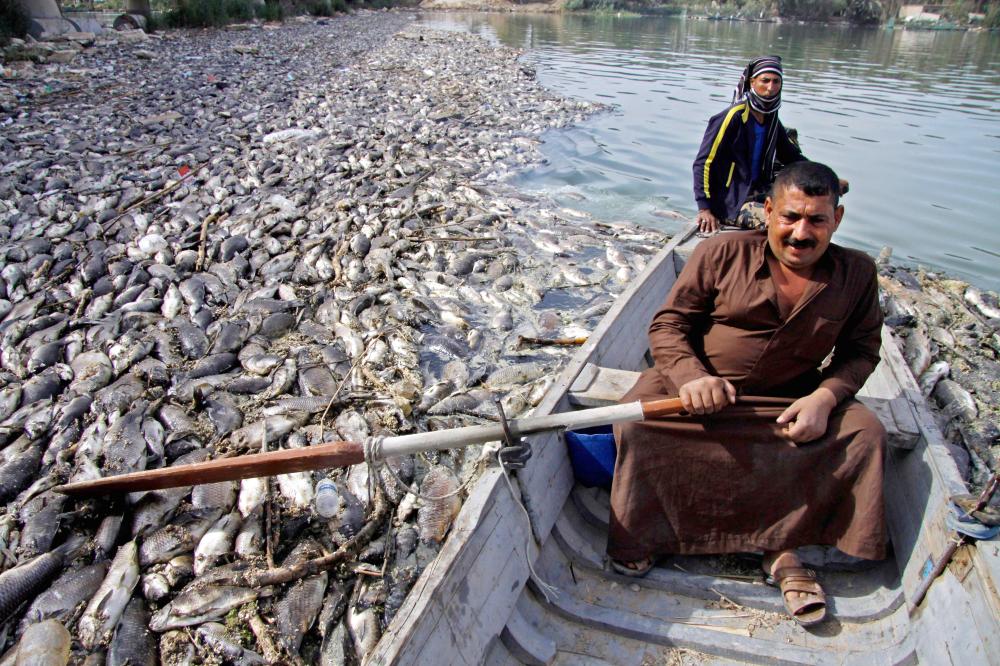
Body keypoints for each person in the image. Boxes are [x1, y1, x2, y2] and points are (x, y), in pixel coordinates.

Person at [608, 161, 885, 626]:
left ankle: (781, 546)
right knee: (635, 423)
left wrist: (825, 397)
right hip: (697, 394)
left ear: (836, 220)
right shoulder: (722, 252)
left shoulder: (857, 273)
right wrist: (692, 377)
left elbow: (861, 352)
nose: (801, 233)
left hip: (788, 400)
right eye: (790, 218)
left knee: (866, 434)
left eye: (817, 220)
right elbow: (669, 325)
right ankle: (657, 532)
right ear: (769, 212)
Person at [692, 56, 808, 234]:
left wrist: (826, 177)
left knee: (810, 212)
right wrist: (704, 208)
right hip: (731, 201)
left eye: (776, 81)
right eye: (765, 81)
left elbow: (790, 156)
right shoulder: (734, 116)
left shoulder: (771, 118)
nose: (771, 87)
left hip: (760, 191)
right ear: (752, 82)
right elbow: (703, 163)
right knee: (784, 224)